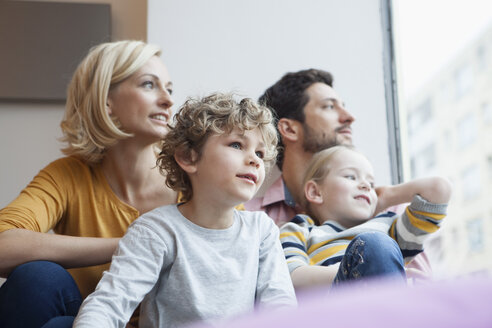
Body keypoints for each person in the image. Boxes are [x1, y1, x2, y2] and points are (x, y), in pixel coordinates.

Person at [73, 93, 297, 328]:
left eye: (260, 153)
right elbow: (109, 304)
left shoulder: (262, 230)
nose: (255, 160)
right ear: (188, 158)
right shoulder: (156, 230)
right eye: (236, 145)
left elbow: (281, 309)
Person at [0, 40, 179, 327]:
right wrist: (129, 245)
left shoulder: (194, 180)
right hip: (89, 320)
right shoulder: (68, 175)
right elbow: (3, 245)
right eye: (149, 85)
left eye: (169, 89)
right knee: (37, 277)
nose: (168, 100)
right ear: (106, 100)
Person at [244, 68, 433, 280]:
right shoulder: (249, 218)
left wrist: (388, 197)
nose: (349, 117)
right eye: (329, 106)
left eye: (344, 106)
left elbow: (420, 291)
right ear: (289, 129)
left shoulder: (389, 214)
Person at [280, 146, 452, 290]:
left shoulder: (390, 228)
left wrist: (386, 196)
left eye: (371, 184)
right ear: (315, 192)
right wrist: (357, 268)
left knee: (379, 243)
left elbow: (438, 189)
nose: (365, 186)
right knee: (375, 244)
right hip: (335, 309)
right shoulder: (299, 229)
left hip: (387, 309)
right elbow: (291, 277)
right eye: (350, 177)